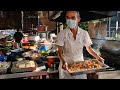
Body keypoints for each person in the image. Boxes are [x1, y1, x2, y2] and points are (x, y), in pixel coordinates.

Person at [56, 11, 105, 79]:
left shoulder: (84, 33)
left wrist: (98, 57)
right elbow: (59, 52)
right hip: (66, 65)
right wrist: (64, 62)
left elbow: (89, 48)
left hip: (80, 65)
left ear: (78, 19)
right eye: (68, 18)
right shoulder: (61, 34)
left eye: (73, 18)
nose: (70, 20)